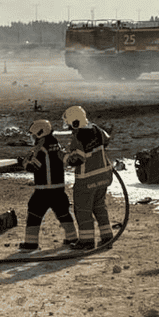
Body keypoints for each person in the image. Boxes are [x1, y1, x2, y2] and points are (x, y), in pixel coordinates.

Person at [18, 119, 78, 251]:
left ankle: (31, 243)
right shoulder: (55, 144)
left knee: (34, 214)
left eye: (34, 135)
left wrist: (24, 163)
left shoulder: (42, 148)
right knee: (63, 214)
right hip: (59, 189)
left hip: (43, 190)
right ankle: (72, 238)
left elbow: (34, 167)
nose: (33, 138)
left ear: (40, 133)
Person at [63, 106, 114, 250]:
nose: (68, 127)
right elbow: (106, 140)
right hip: (104, 176)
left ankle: (86, 241)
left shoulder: (78, 137)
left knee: (83, 210)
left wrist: (63, 156)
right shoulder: (97, 129)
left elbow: (76, 160)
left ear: (74, 122)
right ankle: (107, 238)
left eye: (69, 124)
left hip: (87, 180)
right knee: (99, 208)